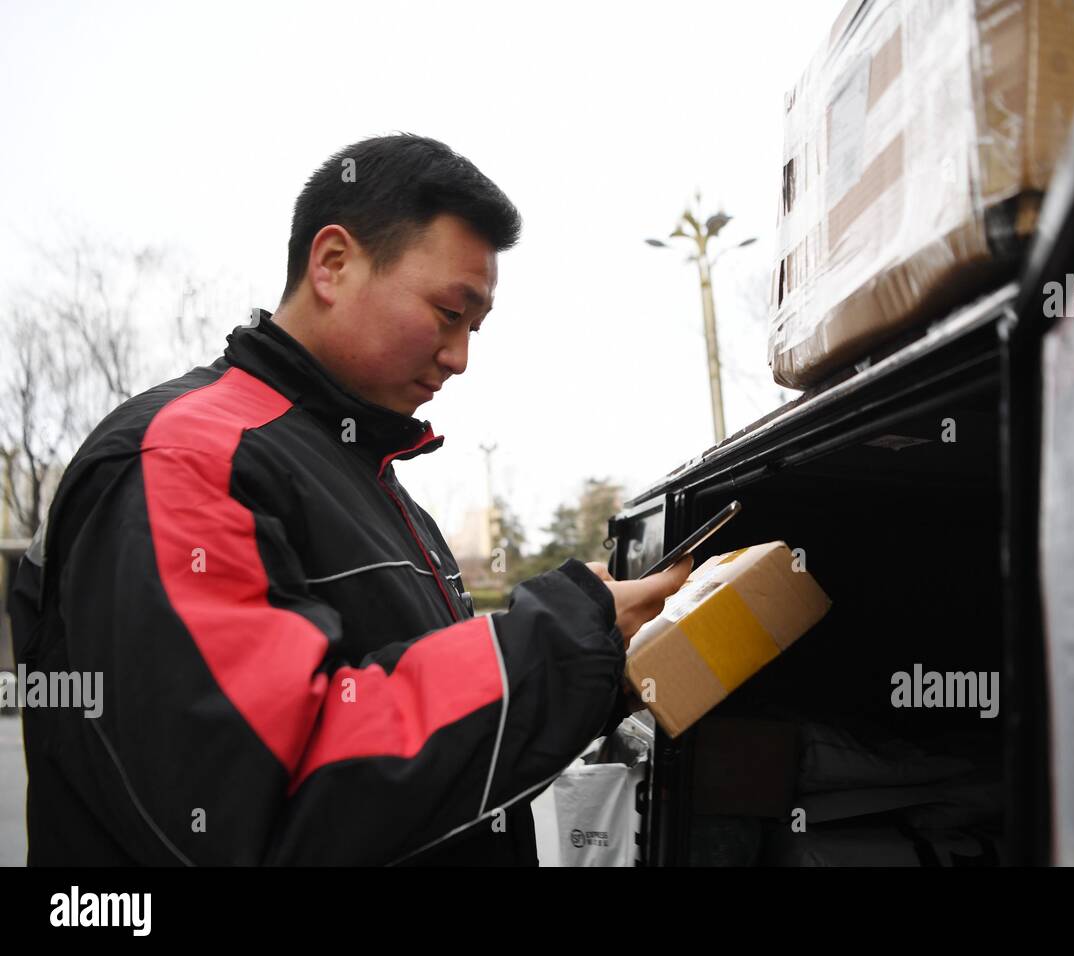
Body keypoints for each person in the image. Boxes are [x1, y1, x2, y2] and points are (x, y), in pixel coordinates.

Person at [8, 133, 691, 866]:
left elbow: (417, 718)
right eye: (448, 313)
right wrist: (564, 642)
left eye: (475, 328)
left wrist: (604, 666)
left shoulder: (370, 484)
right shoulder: (186, 457)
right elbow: (261, 803)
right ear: (333, 264)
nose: (460, 358)